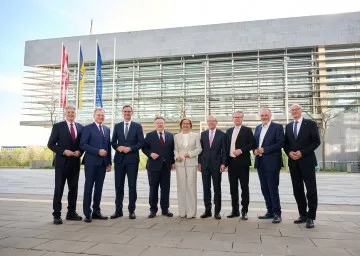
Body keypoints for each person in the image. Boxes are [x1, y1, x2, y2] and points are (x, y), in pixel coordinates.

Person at [284, 104, 320, 229]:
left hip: (307, 162)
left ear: (301, 111)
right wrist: (289, 152)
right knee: (297, 190)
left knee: (311, 190)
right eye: (292, 110)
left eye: (296, 109)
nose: (294, 111)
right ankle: (302, 215)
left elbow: (316, 142)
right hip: (293, 163)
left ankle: (311, 217)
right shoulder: (288, 126)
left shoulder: (310, 124)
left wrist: (302, 153)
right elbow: (286, 144)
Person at [47, 105, 84, 225]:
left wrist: (80, 151)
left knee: (73, 189)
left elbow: (82, 144)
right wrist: (63, 151)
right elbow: (51, 144)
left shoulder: (80, 127)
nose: (71, 114)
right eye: (69, 112)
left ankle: (71, 213)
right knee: (59, 189)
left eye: (73, 112)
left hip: (75, 163)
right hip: (61, 163)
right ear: (65, 113)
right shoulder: (58, 126)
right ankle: (56, 214)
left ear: (75, 114)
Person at [111, 105, 144, 220]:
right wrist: (117, 147)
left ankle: (131, 211)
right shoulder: (117, 126)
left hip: (132, 160)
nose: (127, 113)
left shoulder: (137, 126)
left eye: (129, 111)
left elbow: (141, 143)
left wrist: (130, 148)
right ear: (122, 112)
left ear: (132, 113)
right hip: (119, 160)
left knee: (132, 186)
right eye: (125, 111)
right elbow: (113, 142)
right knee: (118, 186)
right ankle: (118, 210)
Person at [80, 108, 112, 223]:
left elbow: (108, 147)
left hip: (103, 164)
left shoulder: (107, 129)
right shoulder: (87, 128)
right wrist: (97, 151)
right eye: (98, 115)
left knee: (99, 188)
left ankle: (96, 211)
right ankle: (87, 213)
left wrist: (109, 162)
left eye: (102, 115)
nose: (101, 117)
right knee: (88, 188)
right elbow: (83, 144)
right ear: (94, 116)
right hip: (91, 162)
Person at [253, 108, 284, 224]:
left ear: (270, 116)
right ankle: (270, 211)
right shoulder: (258, 128)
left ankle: (277, 213)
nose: (264, 117)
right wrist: (254, 150)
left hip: (272, 163)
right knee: (264, 188)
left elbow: (281, 143)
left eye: (266, 115)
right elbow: (255, 144)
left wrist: (264, 150)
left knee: (272, 188)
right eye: (262, 115)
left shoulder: (277, 127)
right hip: (260, 162)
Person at [142, 117, 175, 218]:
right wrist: (150, 153)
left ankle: (165, 209)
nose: (160, 125)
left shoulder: (170, 135)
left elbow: (172, 150)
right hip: (153, 166)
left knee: (165, 189)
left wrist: (173, 162)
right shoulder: (149, 135)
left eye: (161, 123)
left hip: (166, 167)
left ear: (164, 124)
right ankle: (153, 210)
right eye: (158, 123)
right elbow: (144, 148)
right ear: (155, 124)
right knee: (153, 188)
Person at [225, 111, 254, 220]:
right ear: (232, 118)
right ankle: (235, 210)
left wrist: (241, 150)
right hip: (231, 163)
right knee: (233, 188)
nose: (237, 119)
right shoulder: (229, 131)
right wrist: (225, 163)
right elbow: (226, 147)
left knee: (244, 187)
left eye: (239, 117)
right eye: (235, 117)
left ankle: (244, 211)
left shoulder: (247, 130)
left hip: (243, 163)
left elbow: (252, 144)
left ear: (242, 118)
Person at [198, 115, 227, 220]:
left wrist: (224, 163)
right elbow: (201, 150)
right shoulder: (203, 134)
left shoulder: (222, 135)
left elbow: (224, 151)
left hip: (217, 165)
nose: (211, 123)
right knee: (206, 188)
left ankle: (217, 212)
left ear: (216, 122)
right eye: (209, 121)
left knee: (217, 188)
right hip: (205, 165)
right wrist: (199, 163)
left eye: (213, 121)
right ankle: (207, 210)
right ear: (207, 122)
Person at [174, 118, 202, 218]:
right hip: (180, 163)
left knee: (191, 186)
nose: (185, 125)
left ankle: (192, 212)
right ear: (181, 125)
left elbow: (199, 148)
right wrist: (176, 156)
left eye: (187, 123)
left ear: (190, 125)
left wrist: (190, 154)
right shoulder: (176, 136)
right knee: (181, 187)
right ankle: (182, 211)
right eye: (184, 123)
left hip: (191, 162)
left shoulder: (195, 135)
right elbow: (175, 149)